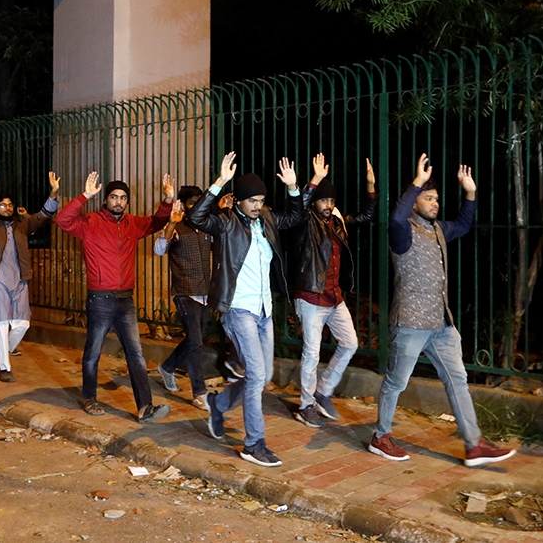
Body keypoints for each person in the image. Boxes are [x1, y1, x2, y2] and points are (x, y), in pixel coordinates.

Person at [370, 153, 515, 467]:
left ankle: (474, 445)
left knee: (458, 379)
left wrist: (470, 193)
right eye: (429, 198)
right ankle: (381, 436)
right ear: (414, 201)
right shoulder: (403, 231)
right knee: (397, 381)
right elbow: (395, 217)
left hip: (441, 324)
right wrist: (416, 182)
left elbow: (463, 224)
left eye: (437, 198)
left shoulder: (438, 230)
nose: (435, 203)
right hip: (410, 323)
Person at [188, 152, 306, 467]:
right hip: (237, 308)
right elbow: (195, 218)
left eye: (261, 199)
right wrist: (218, 183)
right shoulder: (226, 224)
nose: (257, 205)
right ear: (238, 200)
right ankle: (253, 444)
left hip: (263, 309)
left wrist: (294, 189)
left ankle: (218, 403)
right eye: (251, 200)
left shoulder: (266, 219)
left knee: (262, 374)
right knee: (255, 375)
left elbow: (295, 218)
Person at [57, 170, 174, 423]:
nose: (118, 201)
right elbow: (63, 221)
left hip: (126, 300)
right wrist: (84, 195)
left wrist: (168, 201)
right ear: (105, 200)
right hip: (100, 299)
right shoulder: (90, 222)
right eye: (113, 197)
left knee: (136, 354)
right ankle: (90, 397)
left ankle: (145, 408)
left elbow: (156, 222)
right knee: (93, 352)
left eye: (123, 197)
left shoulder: (133, 223)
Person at [291, 153, 377, 428]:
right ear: (315, 202)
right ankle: (305, 405)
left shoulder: (336, 222)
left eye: (332, 201)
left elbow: (364, 216)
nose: (328, 205)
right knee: (312, 353)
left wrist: (371, 186)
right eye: (323, 201)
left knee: (350, 343)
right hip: (311, 295)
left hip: (334, 296)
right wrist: (314, 181)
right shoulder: (305, 221)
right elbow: (297, 206)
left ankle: (323, 390)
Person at [0, 160, 59, 383]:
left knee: (22, 324)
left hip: (19, 281)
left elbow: (43, 216)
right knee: (1, 323)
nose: (7, 208)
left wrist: (54, 193)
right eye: (3, 205)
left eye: (10, 205)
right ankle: (4, 367)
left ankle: (3, 350)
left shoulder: (22, 225)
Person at [153, 186, 214, 410]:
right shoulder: (177, 227)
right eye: (191, 202)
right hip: (184, 292)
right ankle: (199, 392)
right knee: (196, 342)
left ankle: (168, 367)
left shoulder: (207, 227)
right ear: (184, 205)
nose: (196, 205)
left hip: (204, 293)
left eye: (199, 201)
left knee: (193, 340)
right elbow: (159, 249)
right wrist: (170, 223)